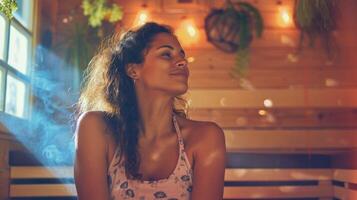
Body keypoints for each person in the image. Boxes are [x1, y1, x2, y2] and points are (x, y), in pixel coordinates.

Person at [74, 22, 226, 200]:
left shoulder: (205, 138)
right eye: (166, 54)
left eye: (182, 55)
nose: (182, 62)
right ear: (133, 70)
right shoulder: (96, 129)